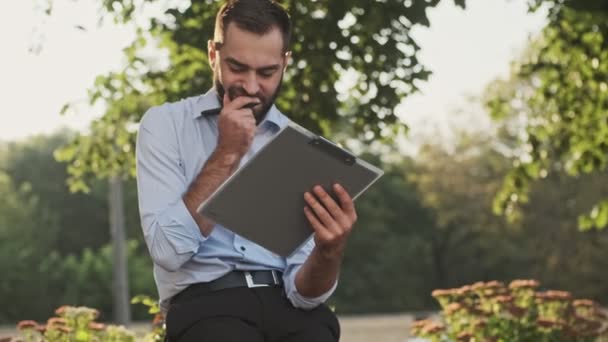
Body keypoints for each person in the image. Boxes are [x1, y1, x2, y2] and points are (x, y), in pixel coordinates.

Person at [136, 1, 358, 341]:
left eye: (267, 73)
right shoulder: (165, 125)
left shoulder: (302, 149)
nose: (252, 88)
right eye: (237, 68)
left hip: (287, 305)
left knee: (320, 329)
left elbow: (306, 293)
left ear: (285, 63)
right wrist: (227, 154)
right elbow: (167, 252)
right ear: (214, 54)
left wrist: (329, 252)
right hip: (207, 303)